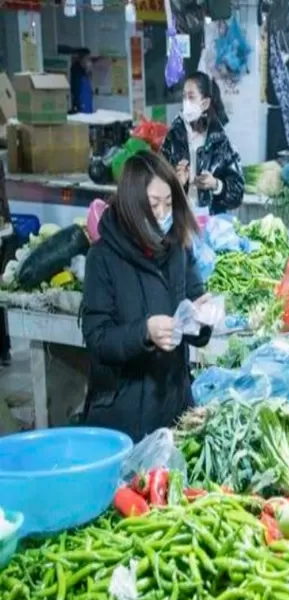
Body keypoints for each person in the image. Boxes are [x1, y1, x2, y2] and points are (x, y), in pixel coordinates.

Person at [81, 152, 211, 442]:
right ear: (132, 205)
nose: (164, 214)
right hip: (123, 418)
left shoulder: (178, 248)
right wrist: (145, 331)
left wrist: (203, 319)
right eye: (154, 205)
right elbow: (98, 340)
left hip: (175, 406)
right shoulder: (102, 259)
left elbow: (195, 306)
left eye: (169, 203)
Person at [161, 72, 244, 215]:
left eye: (191, 97)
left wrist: (216, 185)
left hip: (211, 224)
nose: (186, 102)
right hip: (180, 221)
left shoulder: (219, 141)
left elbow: (237, 193)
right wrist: (177, 182)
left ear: (205, 103)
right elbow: (156, 183)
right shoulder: (173, 137)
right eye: (184, 97)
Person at [69, 48, 94, 114]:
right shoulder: (77, 72)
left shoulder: (84, 71)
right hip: (81, 106)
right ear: (83, 59)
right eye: (88, 59)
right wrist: (78, 105)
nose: (89, 62)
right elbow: (76, 90)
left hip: (87, 105)